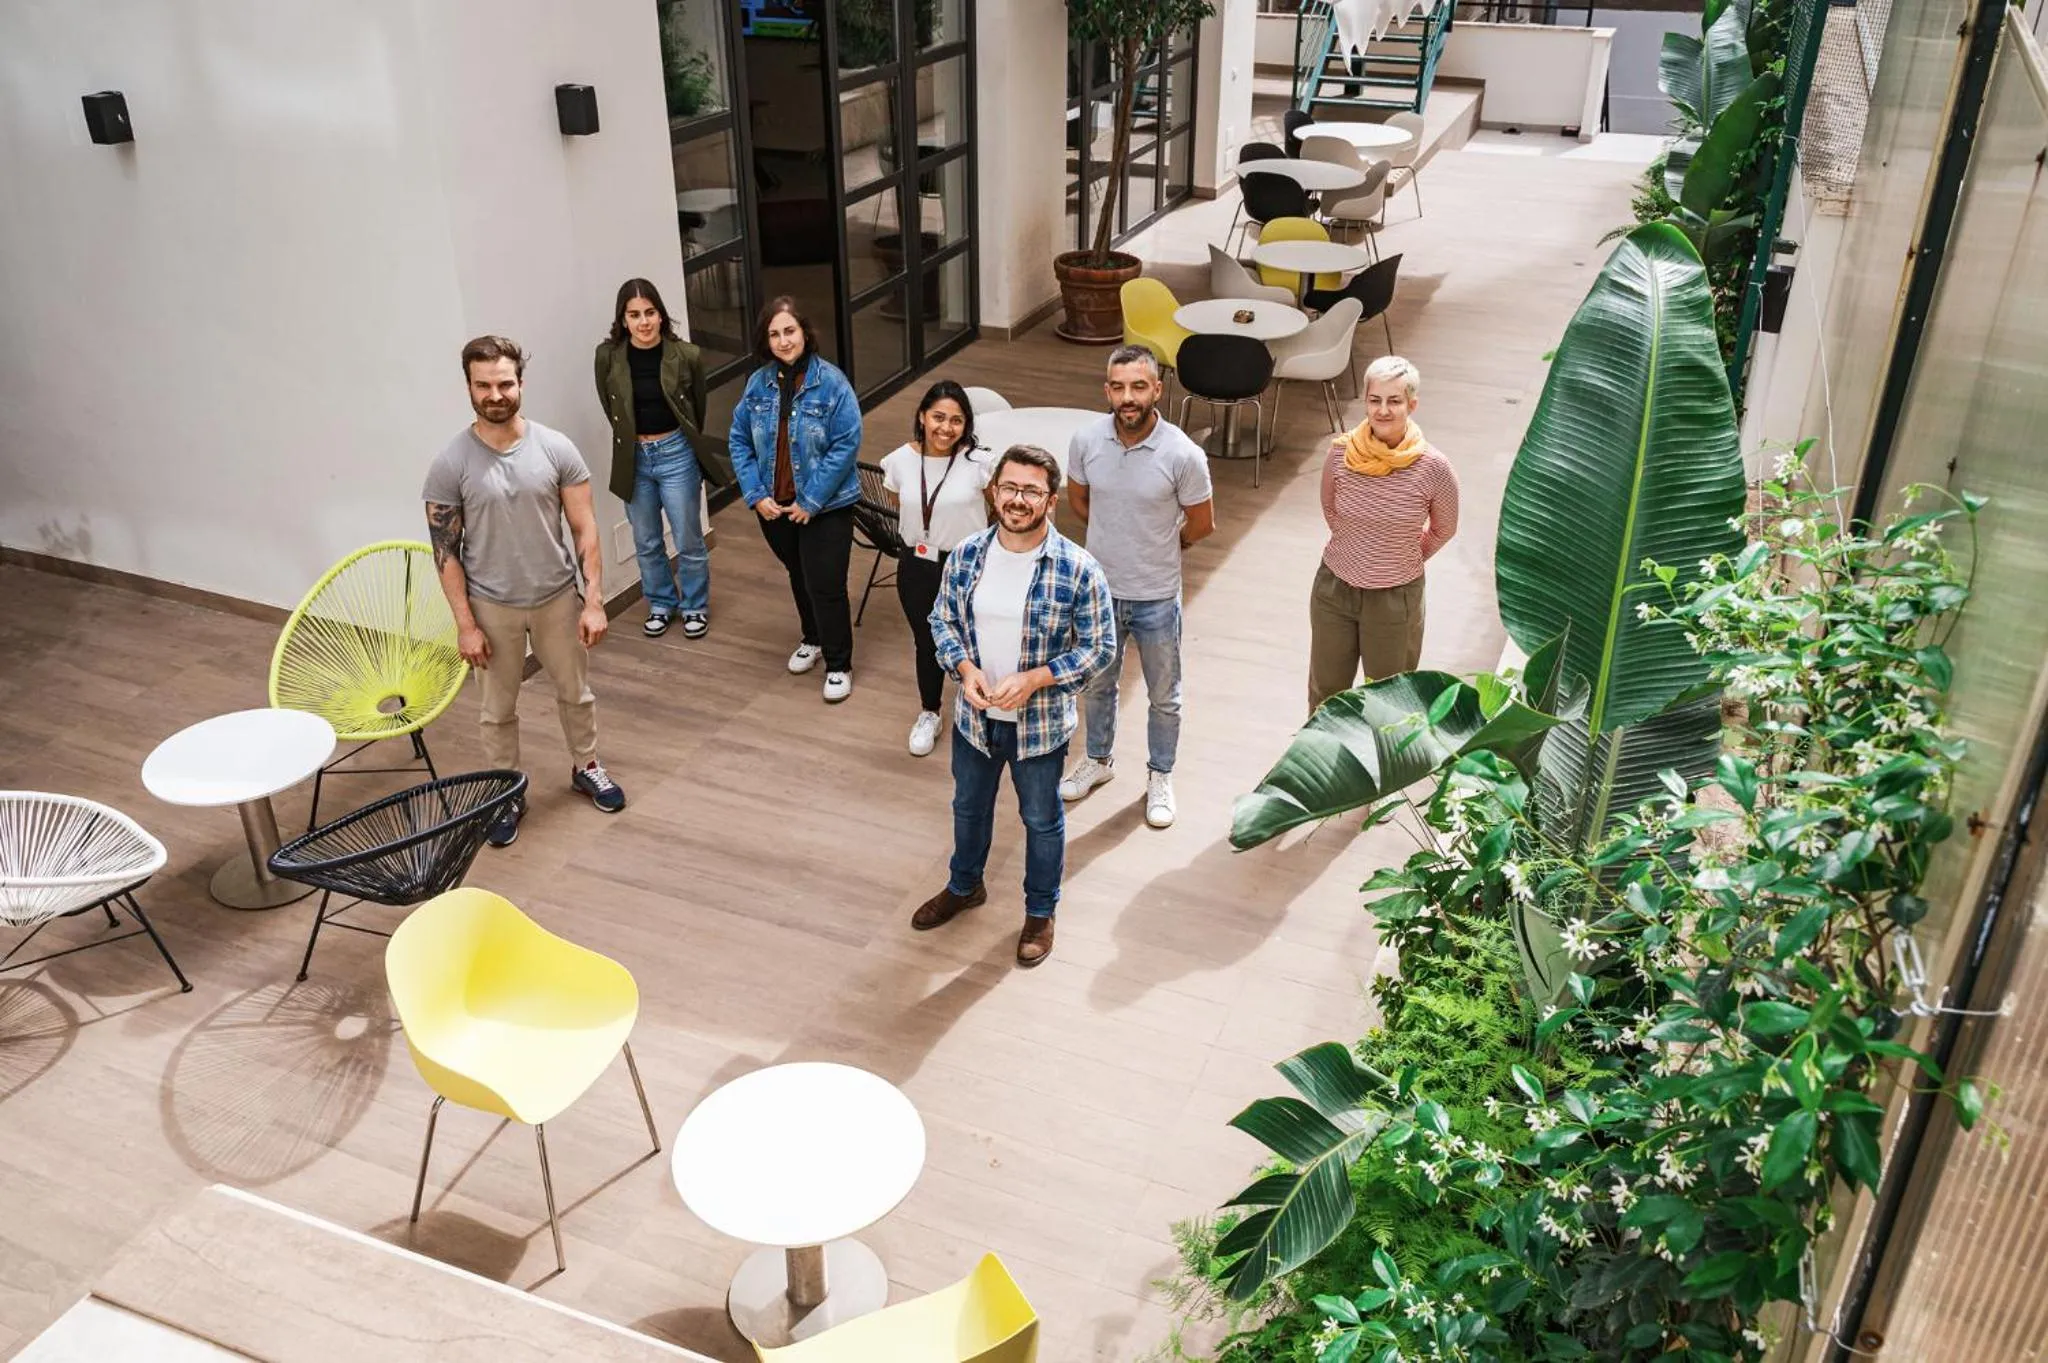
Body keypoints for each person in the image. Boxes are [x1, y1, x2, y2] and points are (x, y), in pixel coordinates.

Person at [915, 445, 1115, 967]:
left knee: (1041, 820)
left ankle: (1041, 912)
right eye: (1009, 488)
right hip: (974, 721)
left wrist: (1036, 679)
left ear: (1051, 500)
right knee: (968, 808)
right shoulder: (967, 554)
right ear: (993, 492)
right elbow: (942, 621)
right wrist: (965, 670)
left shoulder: (1079, 569)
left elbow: (1100, 648)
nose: (1018, 500)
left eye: (1031, 491)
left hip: (1039, 728)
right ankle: (964, 886)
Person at [424, 335, 625, 847]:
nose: (495, 395)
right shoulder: (451, 463)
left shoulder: (556, 448)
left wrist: (594, 600)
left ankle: (587, 765)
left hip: (557, 598)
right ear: (469, 387)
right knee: (496, 711)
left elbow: (585, 528)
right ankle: (507, 790)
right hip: (491, 608)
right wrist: (465, 626)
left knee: (576, 693)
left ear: (521, 383)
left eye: (504, 384)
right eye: (483, 385)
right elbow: (445, 553)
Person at [1057, 344, 1216, 830]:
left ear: (1157, 390)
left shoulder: (1183, 454)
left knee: (1164, 695)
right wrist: (1117, 532)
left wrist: (1164, 543)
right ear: (1107, 391)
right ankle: (1098, 761)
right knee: (1098, 685)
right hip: (1099, 593)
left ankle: (1160, 775)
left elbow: (1202, 523)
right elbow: (1079, 501)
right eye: (1119, 387)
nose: (1128, 397)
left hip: (1157, 596)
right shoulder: (1086, 440)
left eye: (1139, 387)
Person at [728, 296, 864, 702]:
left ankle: (839, 664)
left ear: (804, 332)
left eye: (789, 331)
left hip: (827, 506)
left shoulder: (832, 383)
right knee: (799, 573)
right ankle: (813, 638)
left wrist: (811, 500)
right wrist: (756, 495)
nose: (783, 341)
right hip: (774, 506)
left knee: (826, 584)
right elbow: (738, 440)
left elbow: (846, 444)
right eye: (774, 334)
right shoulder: (758, 384)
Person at [1309, 355, 1460, 713]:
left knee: (1390, 704)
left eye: (1394, 401)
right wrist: (1361, 547)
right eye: (1375, 400)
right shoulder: (1341, 453)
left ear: (1412, 405)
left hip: (1395, 599)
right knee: (1326, 695)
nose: (1383, 410)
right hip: (1334, 590)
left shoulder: (1434, 467)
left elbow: (1444, 528)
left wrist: (1401, 555)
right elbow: (1331, 510)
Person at [594, 277, 733, 640]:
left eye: (650, 312)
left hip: (676, 454)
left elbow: (696, 409)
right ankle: (660, 603)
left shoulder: (686, 355)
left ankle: (694, 606)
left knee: (688, 538)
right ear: (623, 319)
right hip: (634, 458)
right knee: (646, 540)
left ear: (661, 315)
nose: (643, 322)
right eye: (634, 314)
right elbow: (612, 407)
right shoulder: (607, 356)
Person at [880, 381, 993, 757]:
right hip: (918, 564)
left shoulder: (980, 463)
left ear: (967, 424)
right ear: (922, 417)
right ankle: (930, 712)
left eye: (956, 420)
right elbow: (900, 504)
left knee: (978, 642)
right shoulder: (898, 461)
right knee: (927, 642)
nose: (946, 428)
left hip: (969, 567)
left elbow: (998, 510)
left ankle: (981, 710)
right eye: (938, 417)